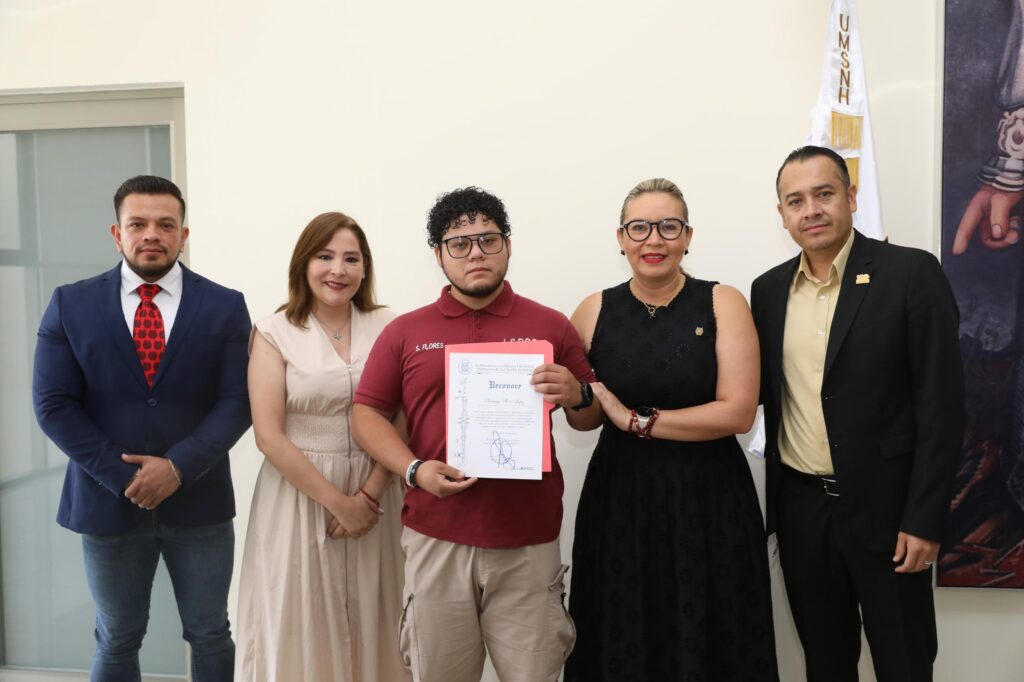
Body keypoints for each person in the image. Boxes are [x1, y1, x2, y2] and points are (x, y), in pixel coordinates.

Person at [351, 186, 600, 682]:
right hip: (436, 538)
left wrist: (577, 394)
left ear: (507, 245)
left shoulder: (550, 324)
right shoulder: (405, 331)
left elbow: (588, 419)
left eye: (488, 239)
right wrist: (414, 470)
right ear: (438, 255)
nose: (476, 253)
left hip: (528, 543)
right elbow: (367, 415)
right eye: (459, 243)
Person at [750, 146, 966, 682]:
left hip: (890, 515)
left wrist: (924, 519)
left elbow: (942, 408)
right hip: (803, 514)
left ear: (850, 197)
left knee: (904, 663)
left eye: (824, 194)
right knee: (825, 664)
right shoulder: (768, 290)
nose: (811, 210)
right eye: (795, 200)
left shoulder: (910, 273)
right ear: (781, 214)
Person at [32, 175, 252, 681]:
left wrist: (177, 468)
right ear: (117, 234)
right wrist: (126, 477)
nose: (152, 234)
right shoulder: (70, 304)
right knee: (116, 636)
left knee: (211, 632)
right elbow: (53, 404)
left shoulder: (224, 306)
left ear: (183, 234)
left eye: (165, 224)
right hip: (107, 501)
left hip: (199, 500)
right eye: (138, 224)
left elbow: (237, 401)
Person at [563, 178, 778, 681]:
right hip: (620, 500)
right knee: (624, 629)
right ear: (621, 238)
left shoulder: (722, 302)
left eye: (668, 226)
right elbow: (585, 418)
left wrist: (637, 421)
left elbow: (738, 413)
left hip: (710, 499)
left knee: (716, 630)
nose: (653, 240)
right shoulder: (593, 310)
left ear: (688, 236)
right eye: (639, 227)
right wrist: (576, 398)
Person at [235, 212, 408, 681]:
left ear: (365, 268)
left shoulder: (391, 326)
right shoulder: (274, 331)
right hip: (299, 494)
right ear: (303, 264)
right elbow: (268, 436)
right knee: (302, 620)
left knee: (381, 614)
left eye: (351, 258)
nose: (338, 270)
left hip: (380, 491)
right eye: (325, 256)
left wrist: (369, 495)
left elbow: (404, 415)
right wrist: (340, 504)